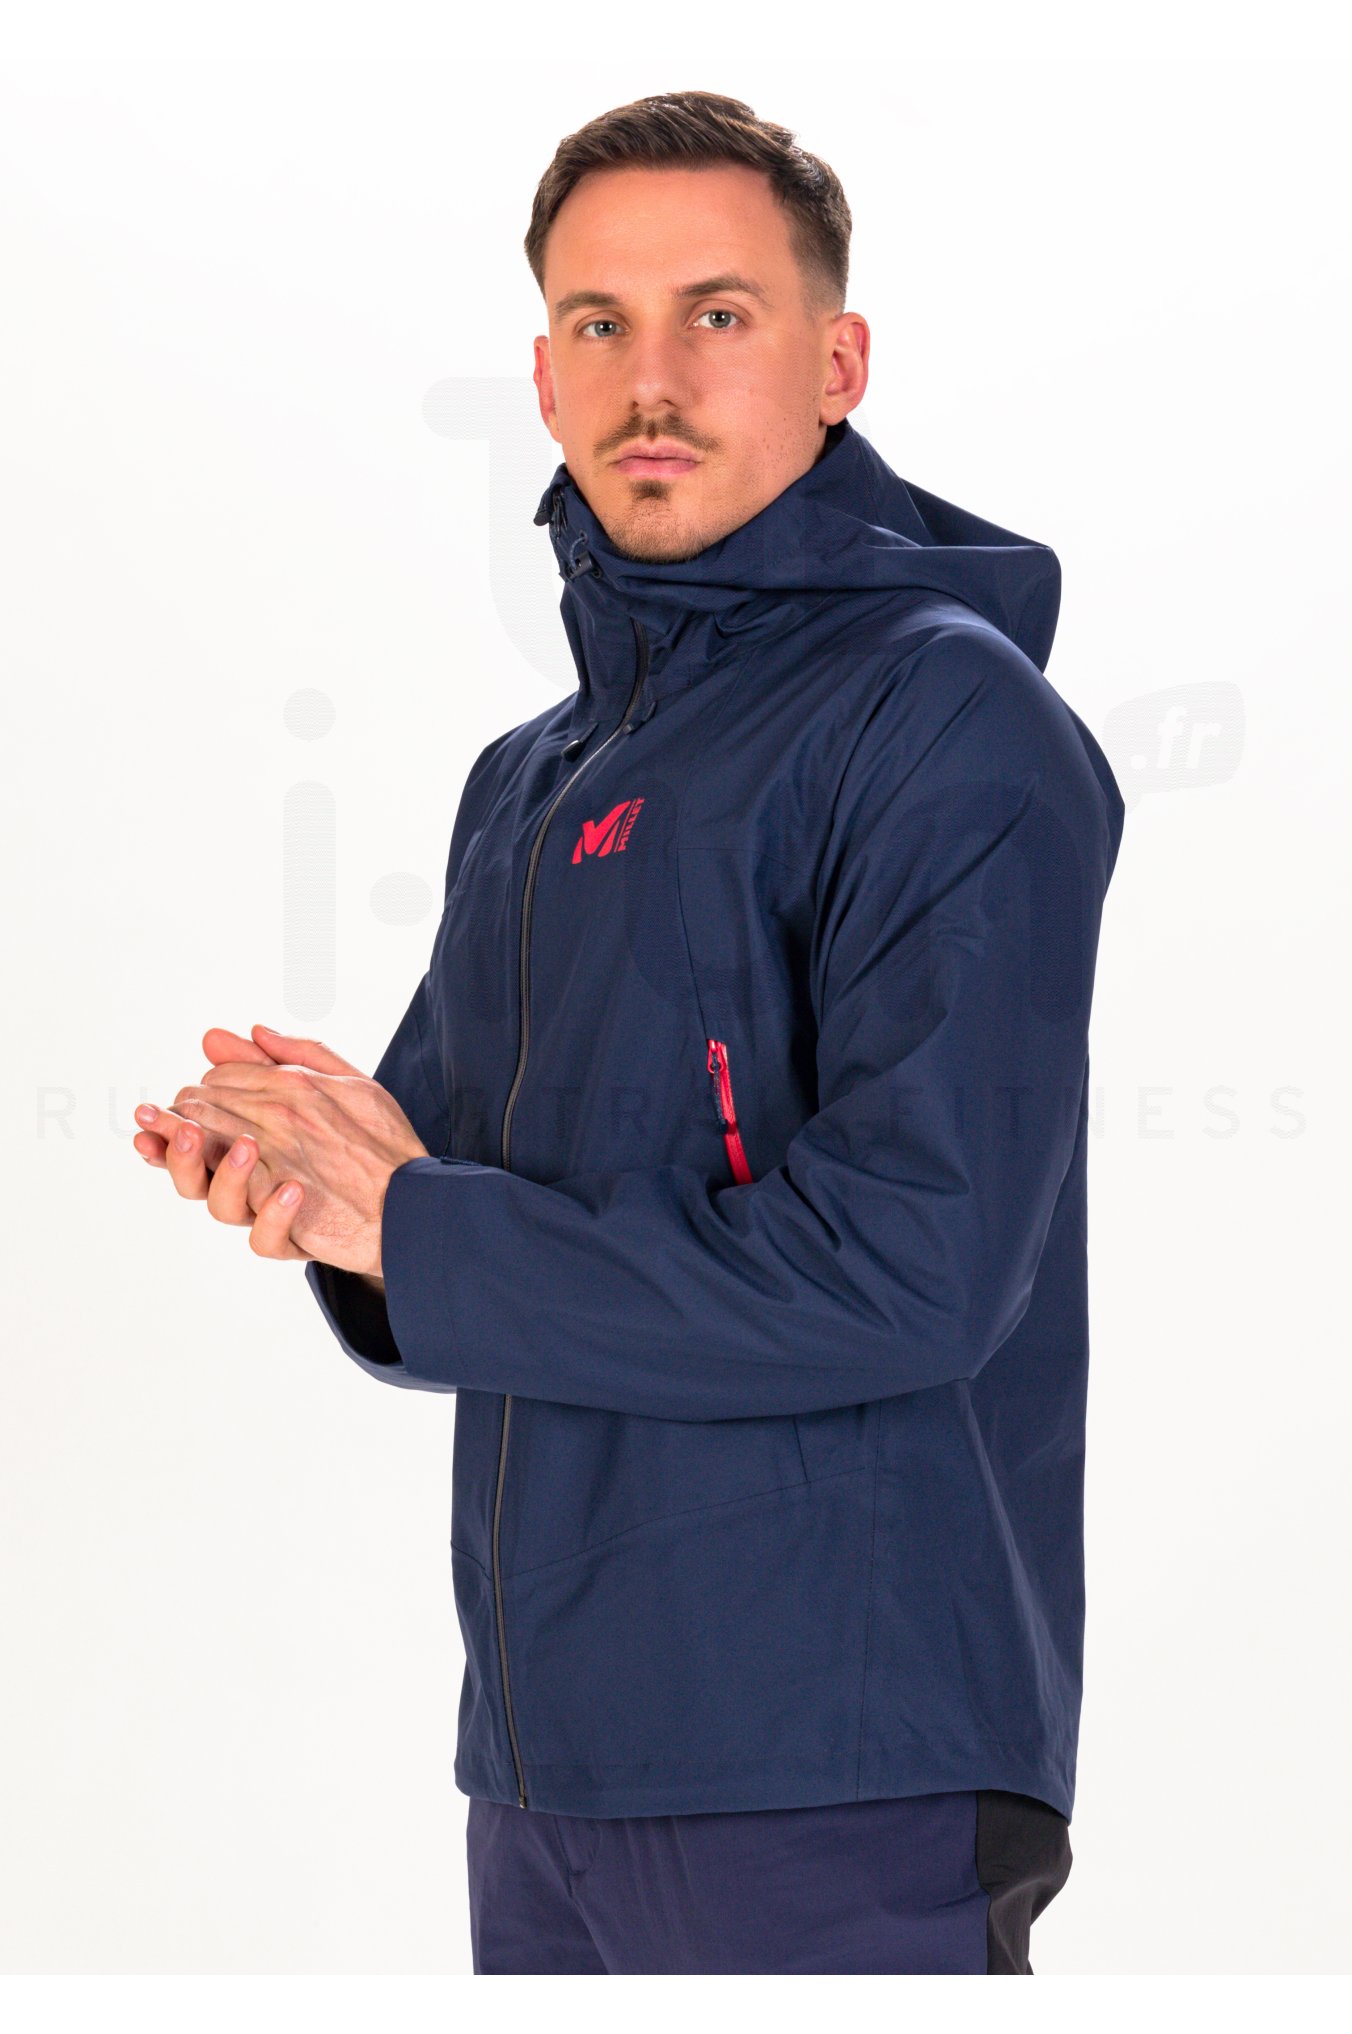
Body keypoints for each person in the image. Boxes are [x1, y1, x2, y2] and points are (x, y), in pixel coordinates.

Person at [132, 90, 1125, 1974]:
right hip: (543, 1763)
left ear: (837, 362)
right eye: (599, 322)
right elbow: (456, 1210)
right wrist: (316, 1177)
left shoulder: (948, 720)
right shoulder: (535, 779)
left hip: (837, 1766)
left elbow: (916, 1270)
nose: (649, 377)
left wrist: (417, 1223)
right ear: (541, 375)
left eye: (716, 314)